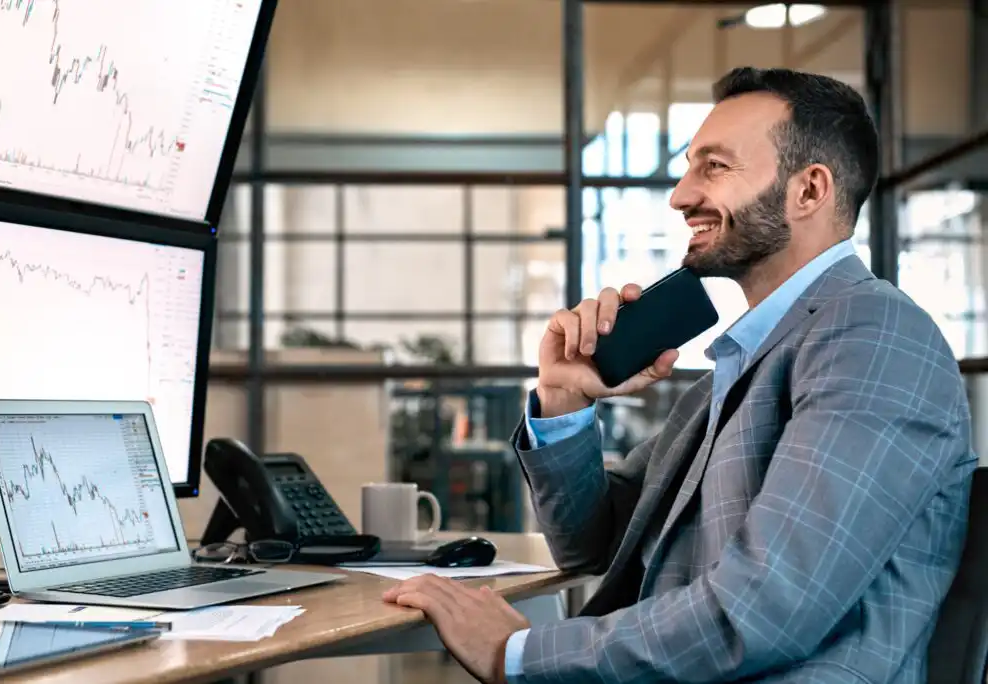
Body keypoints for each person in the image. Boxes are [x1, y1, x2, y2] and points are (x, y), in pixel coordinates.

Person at [382, 66, 977, 683]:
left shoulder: (874, 338)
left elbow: (763, 612)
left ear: (809, 191)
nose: (680, 195)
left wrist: (520, 656)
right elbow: (594, 542)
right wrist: (563, 400)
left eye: (714, 167)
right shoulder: (740, 366)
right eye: (690, 165)